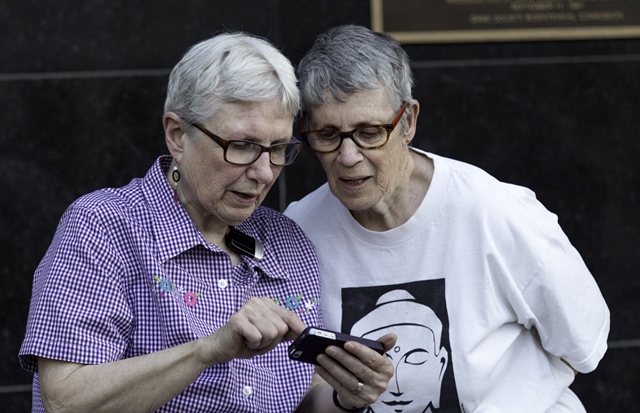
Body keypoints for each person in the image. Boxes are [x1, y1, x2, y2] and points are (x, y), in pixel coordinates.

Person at [19, 31, 395, 413]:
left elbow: (303, 396)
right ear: (177, 135)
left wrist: (344, 396)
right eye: (243, 146)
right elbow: (65, 401)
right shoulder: (105, 227)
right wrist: (207, 351)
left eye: (278, 149)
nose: (264, 172)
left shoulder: (286, 241)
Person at [285, 25, 610, 412]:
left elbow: (584, 342)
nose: (348, 156)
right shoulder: (299, 228)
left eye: (370, 132)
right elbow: (293, 382)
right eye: (327, 135)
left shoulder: (494, 212)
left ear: (408, 122)